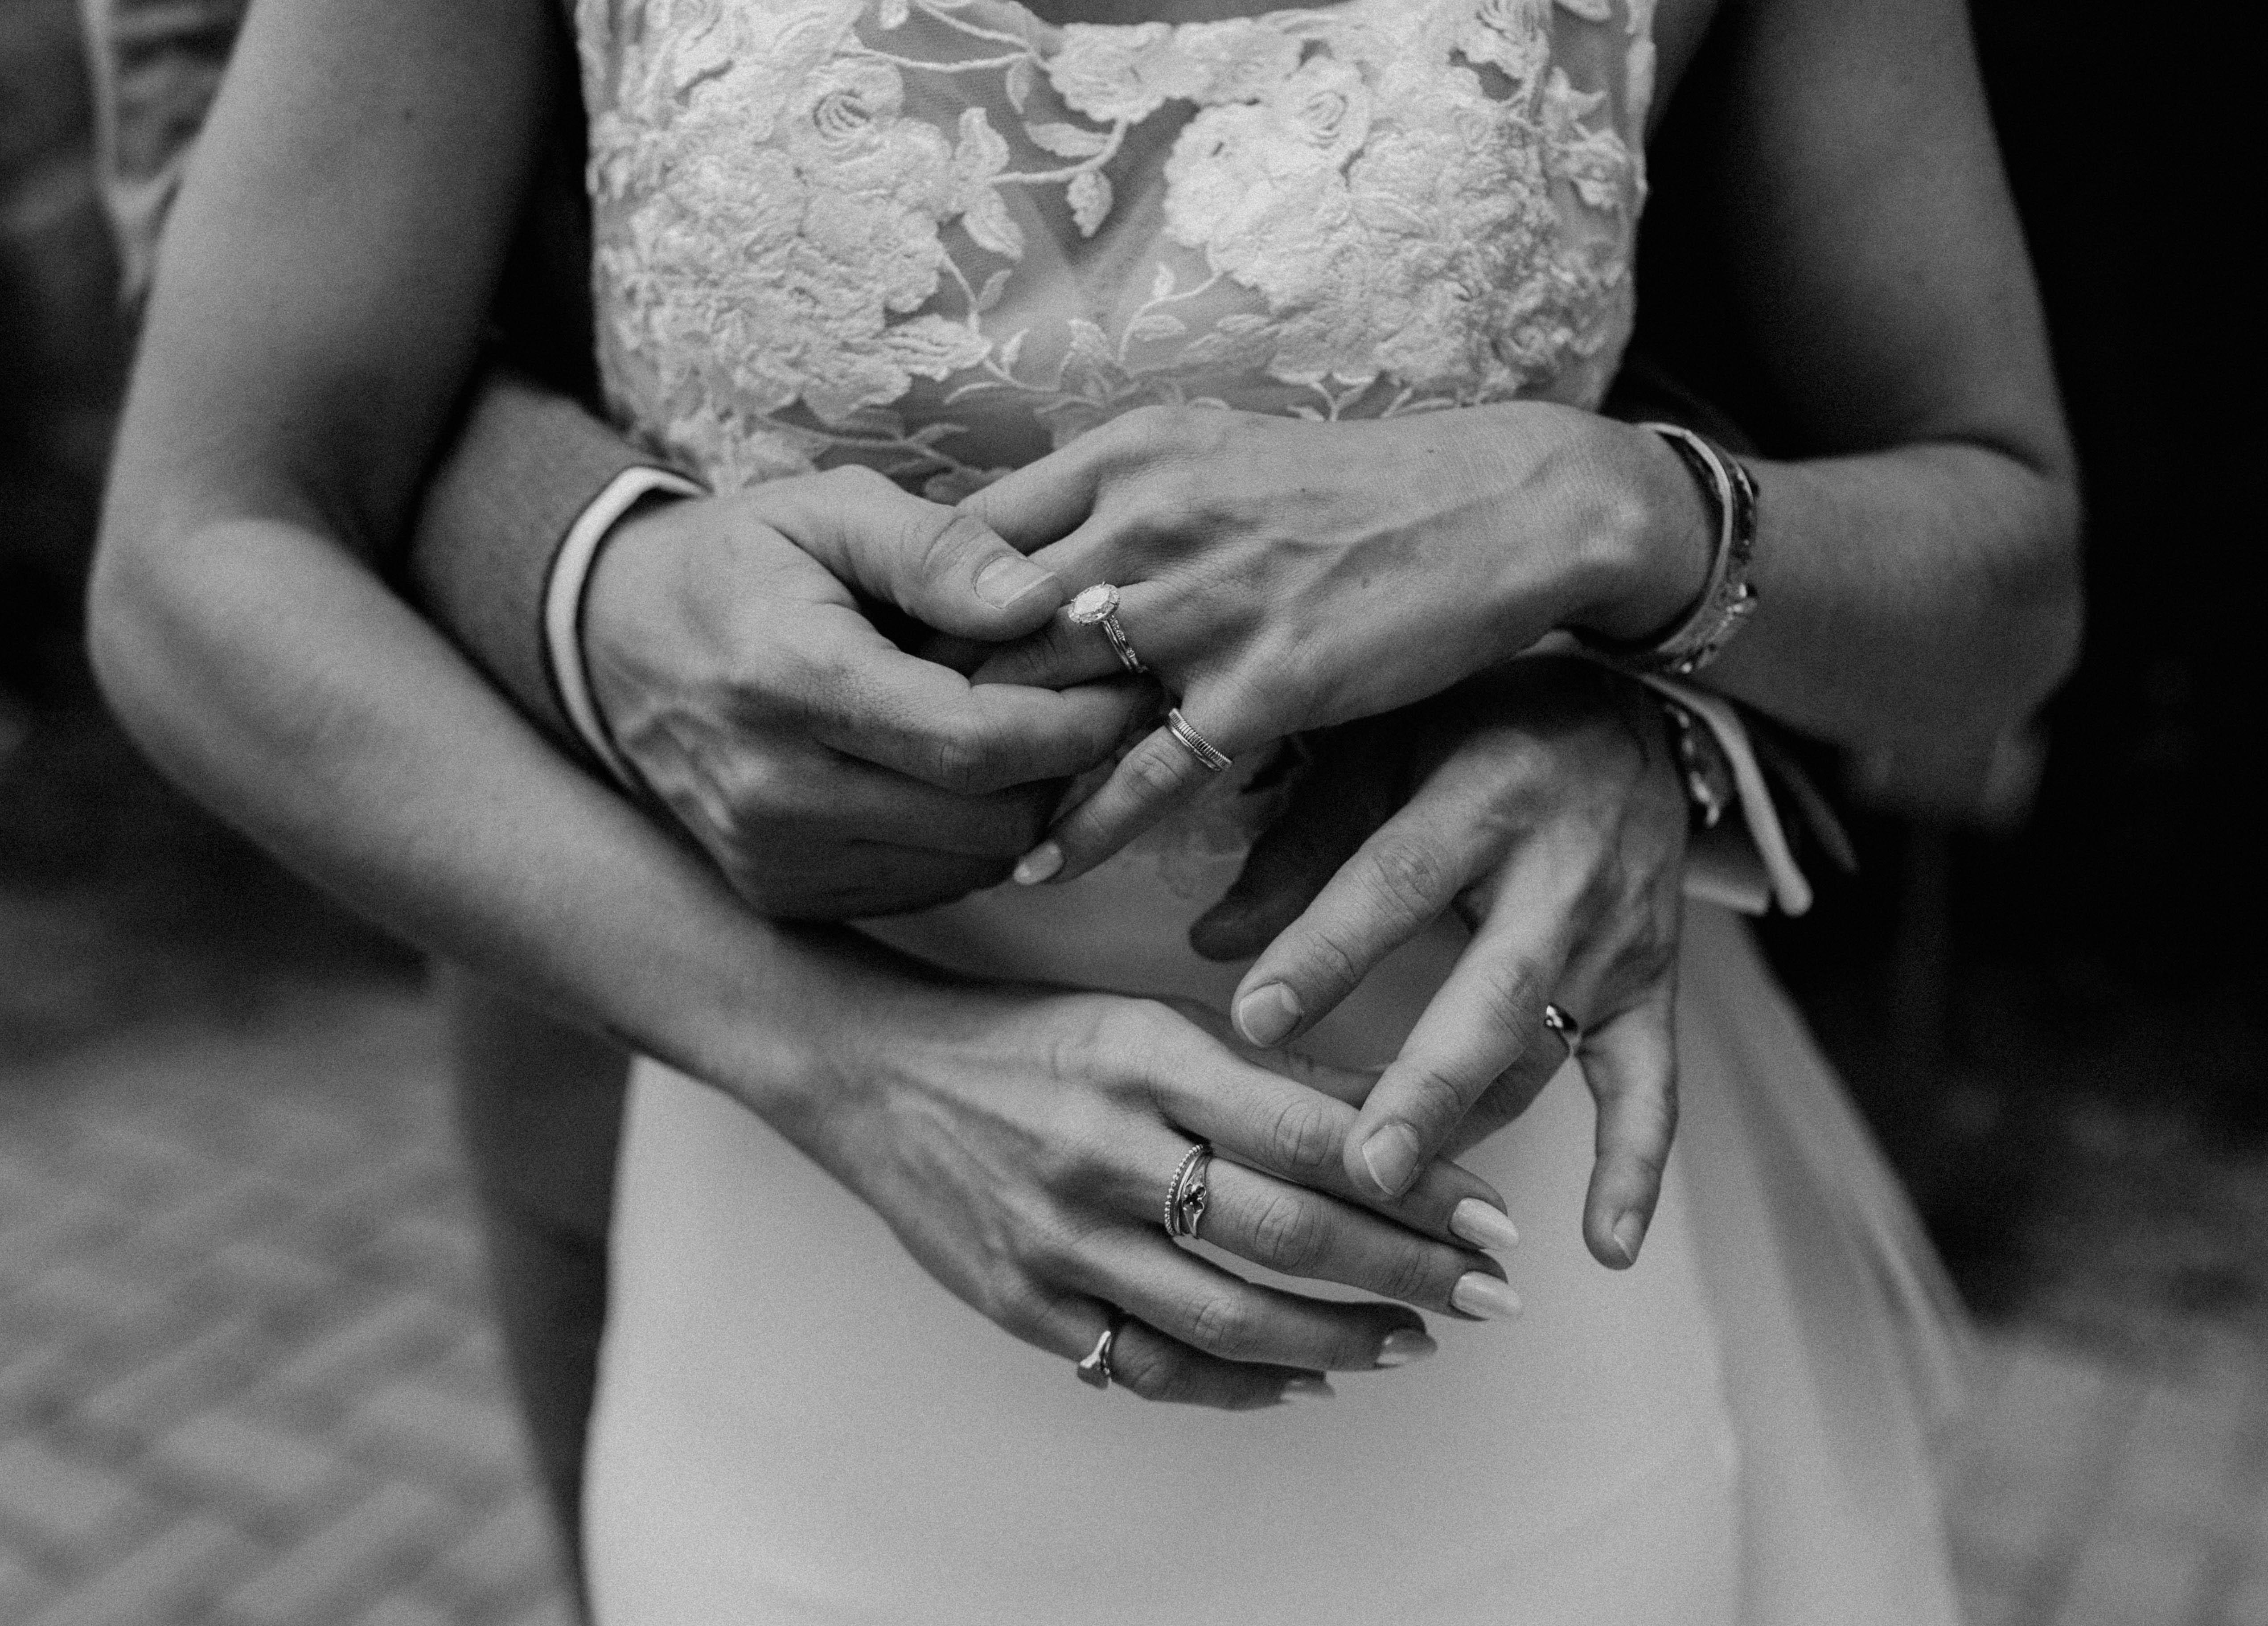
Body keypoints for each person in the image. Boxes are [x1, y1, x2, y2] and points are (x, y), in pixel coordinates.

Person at [88, 0, 2082, 1618]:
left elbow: (2004, 574)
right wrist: (841, 1057)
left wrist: (1608, 514)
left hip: (1481, 1277)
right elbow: (210, 530)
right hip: (795, 1256)